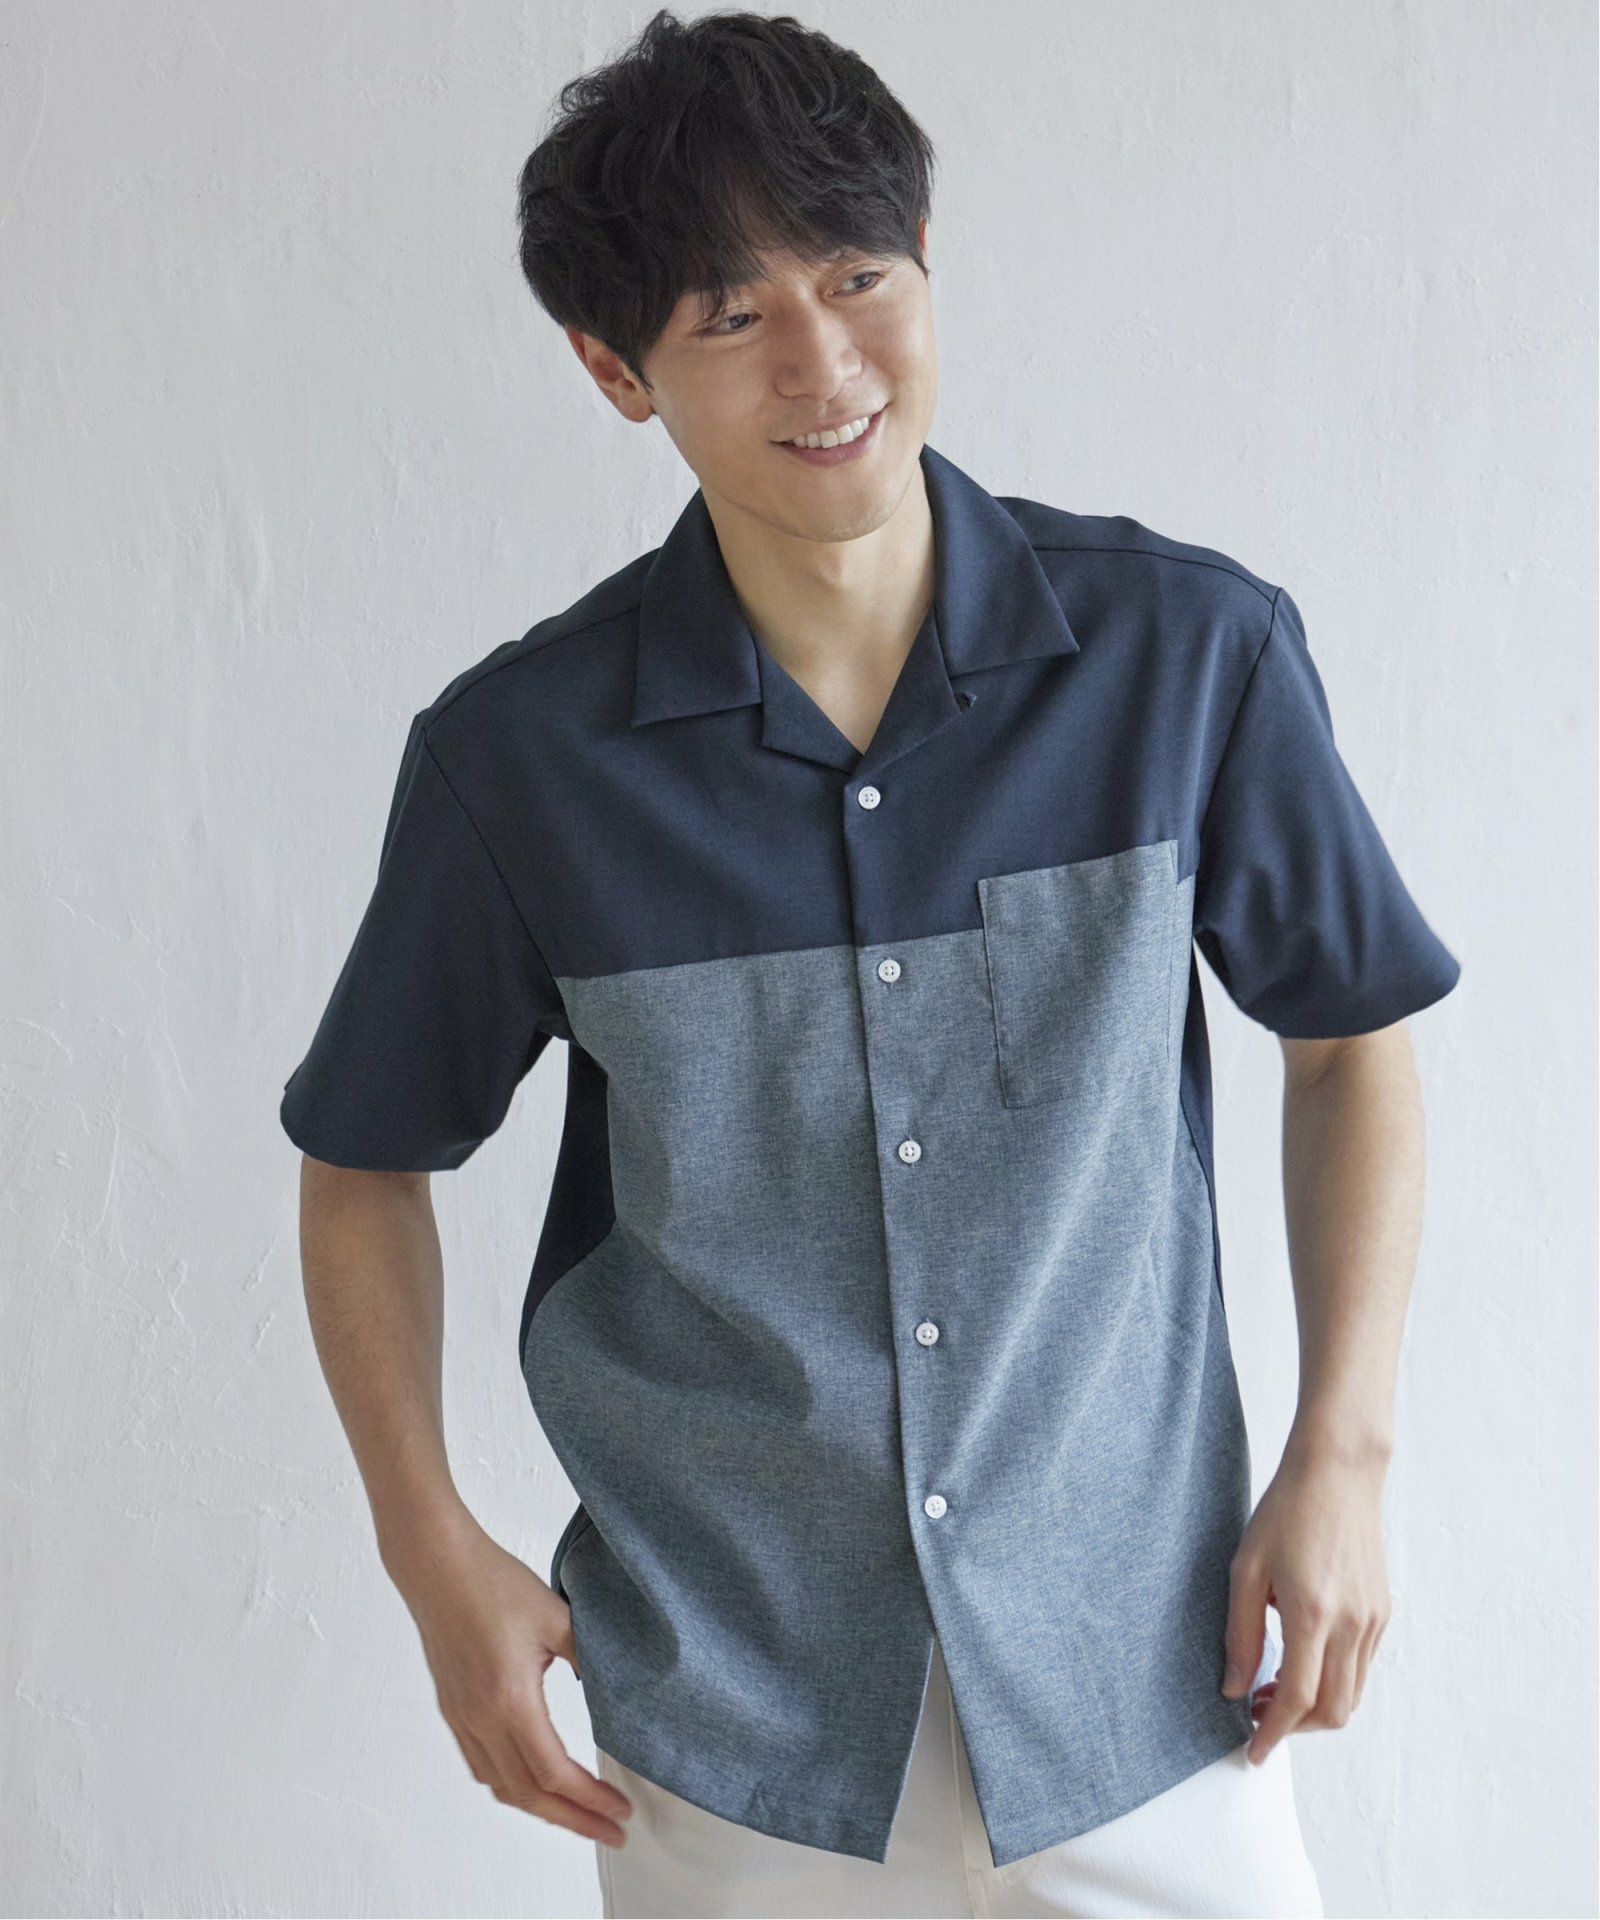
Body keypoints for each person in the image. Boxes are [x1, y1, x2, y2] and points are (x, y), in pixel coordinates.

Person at [279, 11, 1462, 1917]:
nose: (823, 366)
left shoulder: (1190, 661)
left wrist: (1347, 1455)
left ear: (926, 258)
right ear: (614, 368)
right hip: (734, 1726)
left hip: (1148, 1682)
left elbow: (1348, 1045)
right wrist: (436, 1559)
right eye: (730, 315)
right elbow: (362, 1166)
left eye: (855, 278)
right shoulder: (522, 762)